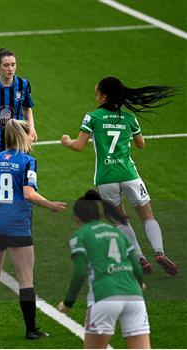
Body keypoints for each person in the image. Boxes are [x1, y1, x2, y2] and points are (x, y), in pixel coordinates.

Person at [61, 76, 178, 276]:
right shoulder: (130, 118)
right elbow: (141, 145)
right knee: (147, 216)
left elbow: (79, 146)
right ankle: (159, 252)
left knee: (120, 221)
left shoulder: (93, 117)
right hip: (129, 174)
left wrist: (66, 141)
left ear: (104, 97)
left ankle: (140, 257)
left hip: (106, 178)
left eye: (97, 91)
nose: (95, 94)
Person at [0, 118, 66, 339]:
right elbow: (29, 194)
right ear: (23, 136)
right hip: (17, 227)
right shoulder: (27, 161)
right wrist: (50, 205)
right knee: (25, 279)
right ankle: (31, 329)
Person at [57, 190, 150, 349]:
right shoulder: (117, 232)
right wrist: (140, 284)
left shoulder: (80, 235)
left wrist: (68, 303)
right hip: (134, 297)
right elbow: (136, 267)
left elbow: (80, 272)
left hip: (104, 296)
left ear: (76, 217)